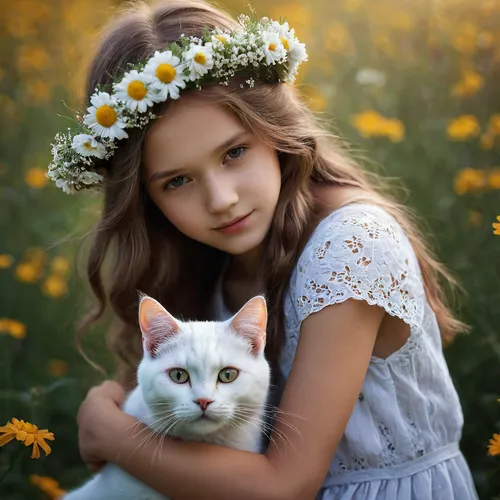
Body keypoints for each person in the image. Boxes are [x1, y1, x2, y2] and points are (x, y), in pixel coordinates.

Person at [49, 0, 479, 498]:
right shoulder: (211, 255)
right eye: (178, 181)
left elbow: (286, 487)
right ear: (145, 198)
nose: (220, 200)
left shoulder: (349, 246)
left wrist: (109, 430)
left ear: (275, 129)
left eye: (234, 152)